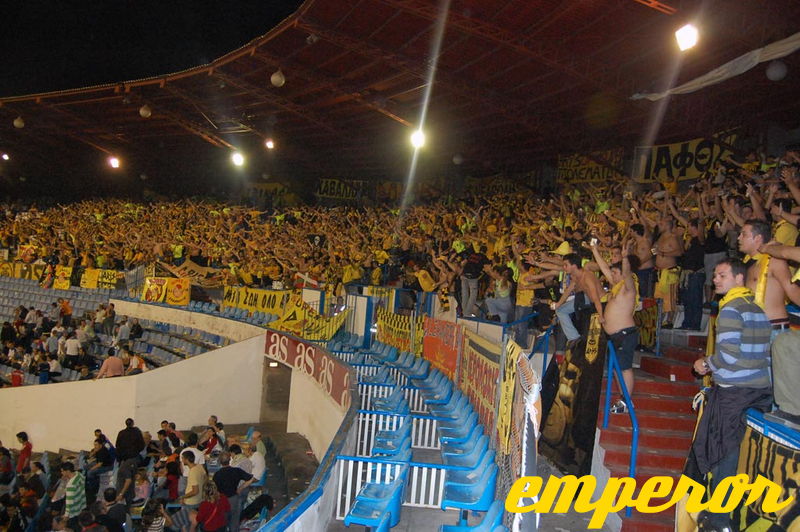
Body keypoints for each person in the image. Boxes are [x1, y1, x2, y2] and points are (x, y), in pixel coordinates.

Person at [690, 258, 773, 531]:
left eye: (722, 275)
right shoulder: (757, 308)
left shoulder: (730, 310)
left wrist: (704, 364)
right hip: (759, 390)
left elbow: (727, 355)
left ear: (739, 278)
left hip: (734, 393)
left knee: (724, 453)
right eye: (715, 275)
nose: (715, 279)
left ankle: (719, 520)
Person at [589, 241, 639, 413]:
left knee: (624, 368)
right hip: (614, 335)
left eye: (615, 272)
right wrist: (595, 250)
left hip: (625, 334)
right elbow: (604, 268)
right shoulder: (616, 287)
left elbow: (626, 275)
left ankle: (627, 401)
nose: (612, 275)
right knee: (618, 369)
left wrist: (625, 259)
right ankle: (623, 397)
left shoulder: (628, 288)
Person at [553, 253, 604, 347]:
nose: (564, 267)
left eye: (566, 265)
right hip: (588, 300)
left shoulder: (588, 276)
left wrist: (601, 315)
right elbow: (568, 291)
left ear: (574, 266)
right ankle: (574, 337)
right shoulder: (575, 276)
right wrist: (558, 304)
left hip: (601, 303)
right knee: (560, 310)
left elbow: (596, 298)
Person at [212, 452, 254, 531]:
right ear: (230, 460)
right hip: (234, 498)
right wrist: (240, 488)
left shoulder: (217, 474)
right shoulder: (236, 471)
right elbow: (250, 478)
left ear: (220, 462)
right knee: (234, 521)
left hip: (222, 500)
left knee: (223, 521)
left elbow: (215, 490)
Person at [61, 462, 87, 531]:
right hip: (81, 504)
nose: (61, 473)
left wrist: (66, 515)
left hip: (73, 511)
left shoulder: (71, 485)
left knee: (72, 528)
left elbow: (69, 502)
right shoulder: (79, 474)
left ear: (68, 471)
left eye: (62, 471)